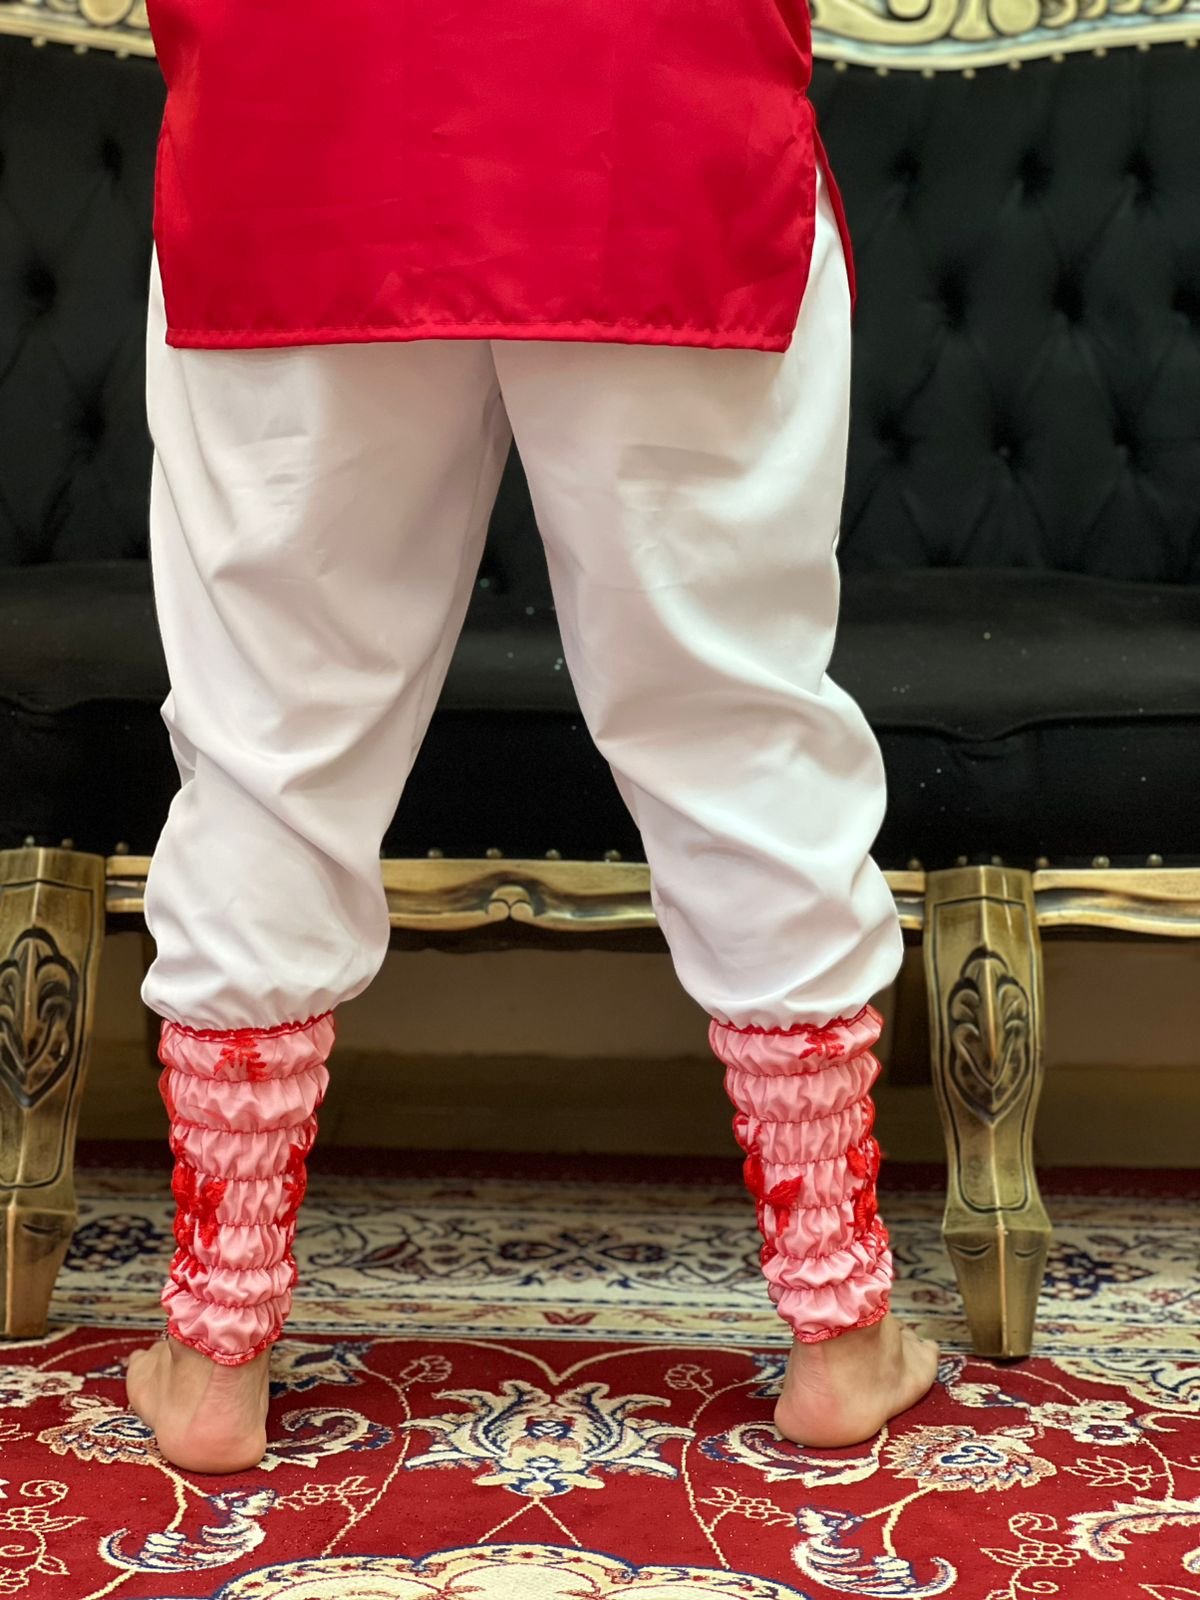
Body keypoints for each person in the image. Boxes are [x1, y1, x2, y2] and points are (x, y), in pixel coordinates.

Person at [126, 0, 939, 1473]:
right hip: (649, 91)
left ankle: (214, 1347)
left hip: (305, 101)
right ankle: (839, 1326)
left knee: (265, 735)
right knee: (732, 718)